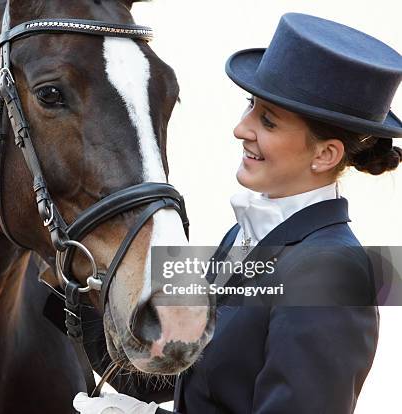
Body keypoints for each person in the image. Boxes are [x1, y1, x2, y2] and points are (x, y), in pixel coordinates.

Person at [73, 12, 402, 414]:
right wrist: (59, 275)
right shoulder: (242, 235)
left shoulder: (334, 271)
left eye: (268, 121)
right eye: (251, 105)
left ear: (325, 154)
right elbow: (173, 360)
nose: (241, 128)